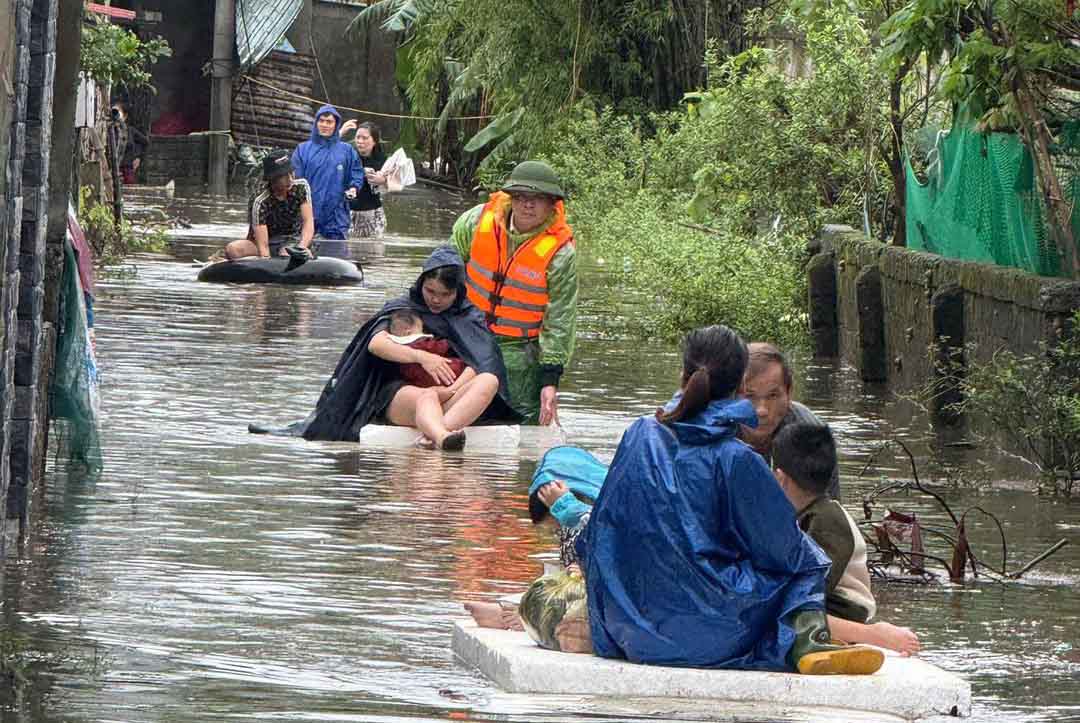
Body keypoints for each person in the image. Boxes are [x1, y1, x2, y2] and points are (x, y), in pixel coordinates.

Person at [577, 325, 884, 674]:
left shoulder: (638, 432)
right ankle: (805, 644)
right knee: (808, 559)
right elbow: (783, 550)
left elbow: (602, 528)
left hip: (624, 628)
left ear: (683, 375)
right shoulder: (737, 458)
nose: (764, 410)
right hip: (706, 638)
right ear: (740, 388)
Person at [250, 246, 521, 448]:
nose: (436, 300)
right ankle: (441, 437)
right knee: (426, 398)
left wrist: (450, 389)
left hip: (451, 394)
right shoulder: (404, 310)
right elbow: (376, 344)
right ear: (420, 285)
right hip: (403, 395)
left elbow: (482, 362)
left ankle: (437, 434)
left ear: (458, 292)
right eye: (430, 291)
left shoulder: (469, 317)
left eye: (445, 295)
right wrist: (421, 356)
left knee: (488, 380)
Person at [773, 423, 921, 656]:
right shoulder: (806, 513)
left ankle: (872, 635)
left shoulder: (828, 520)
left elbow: (813, 589)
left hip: (842, 608)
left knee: (783, 614)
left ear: (779, 478)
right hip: (823, 605)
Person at [451, 161, 577, 425]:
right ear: (510, 198)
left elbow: (560, 320)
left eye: (537, 199)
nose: (527, 205)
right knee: (454, 404)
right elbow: (443, 272)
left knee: (520, 420)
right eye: (520, 197)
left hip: (519, 352)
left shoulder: (561, 253)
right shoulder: (475, 222)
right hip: (466, 337)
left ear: (552, 204)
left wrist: (550, 381)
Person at [740, 342, 841, 499]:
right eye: (749, 396)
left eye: (773, 396)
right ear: (731, 395)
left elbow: (826, 514)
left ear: (789, 393)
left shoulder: (813, 437)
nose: (762, 410)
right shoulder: (710, 432)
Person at [291, 104, 366, 257]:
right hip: (308, 212)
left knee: (336, 258)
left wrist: (353, 188)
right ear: (316, 122)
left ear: (336, 125)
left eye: (329, 122)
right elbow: (294, 180)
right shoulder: (302, 150)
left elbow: (356, 173)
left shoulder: (347, 151)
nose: (325, 125)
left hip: (336, 215)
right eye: (322, 121)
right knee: (303, 253)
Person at [223, 150, 315, 260]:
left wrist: (302, 247)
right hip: (264, 241)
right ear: (273, 179)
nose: (290, 179)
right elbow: (263, 248)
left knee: (286, 252)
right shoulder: (260, 201)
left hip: (293, 239)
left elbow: (308, 222)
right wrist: (266, 260)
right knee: (232, 249)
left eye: (291, 173)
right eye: (283, 176)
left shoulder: (301, 187)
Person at [386, 308, 475, 389]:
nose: (422, 332)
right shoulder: (418, 342)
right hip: (434, 375)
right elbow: (435, 348)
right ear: (409, 332)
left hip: (415, 381)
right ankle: (455, 387)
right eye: (420, 329)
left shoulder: (395, 345)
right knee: (464, 366)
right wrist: (447, 343)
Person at [339, 119, 388, 238]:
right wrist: (340, 133)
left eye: (365, 138)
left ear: (374, 141)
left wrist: (383, 181)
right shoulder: (348, 156)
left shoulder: (383, 159)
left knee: (374, 252)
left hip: (374, 214)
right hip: (349, 213)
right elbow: (326, 152)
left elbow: (396, 183)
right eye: (358, 137)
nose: (360, 141)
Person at [112, 103, 148, 185]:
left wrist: (138, 157)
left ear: (125, 116)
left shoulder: (130, 131)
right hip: (111, 169)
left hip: (127, 169)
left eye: (118, 113)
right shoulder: (109, 131)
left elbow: (145, 142)